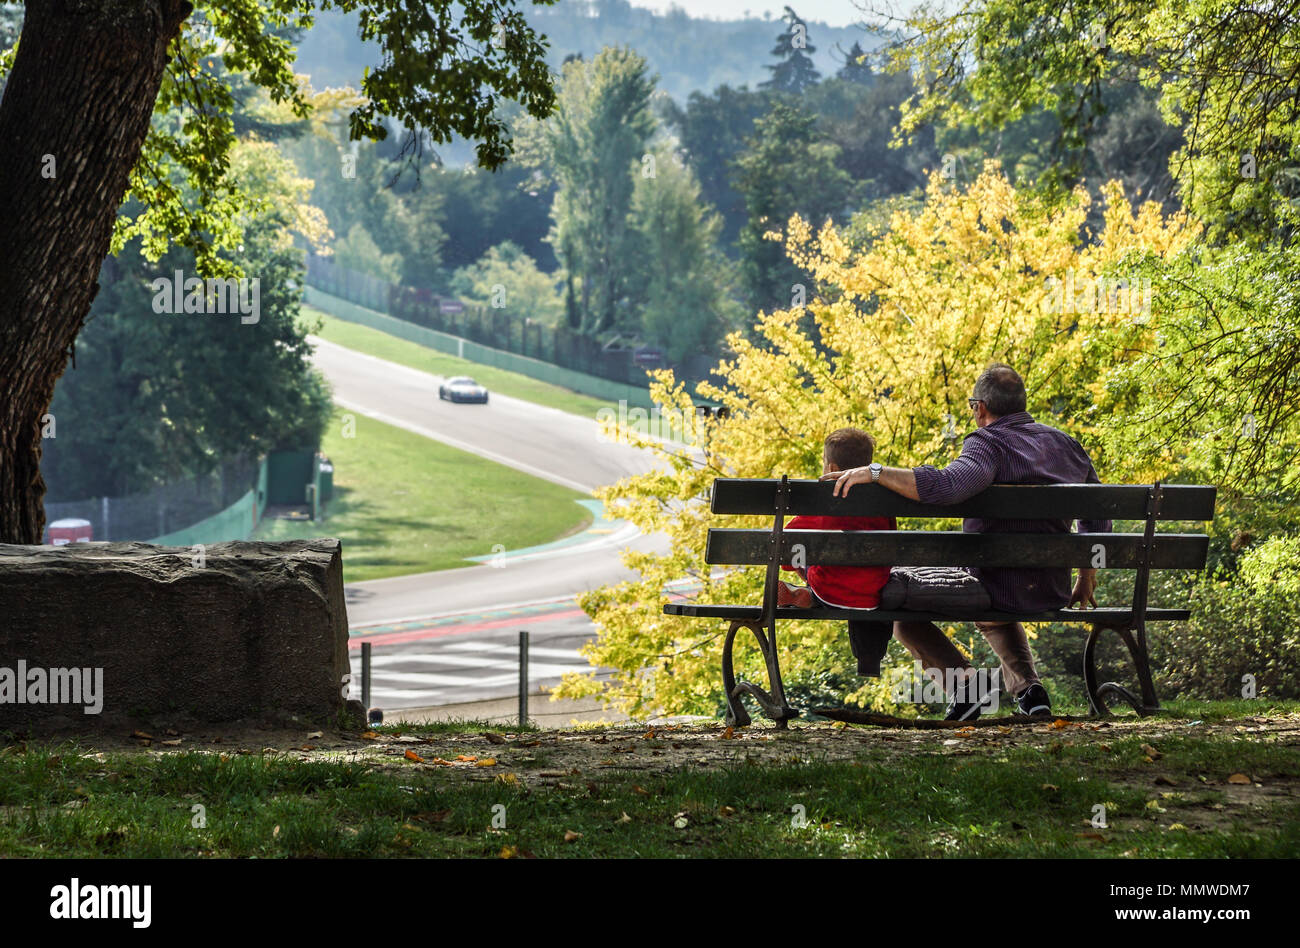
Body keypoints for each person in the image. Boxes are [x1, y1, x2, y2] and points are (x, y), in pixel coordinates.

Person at [824, 364, 1110, 720]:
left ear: (980, 408)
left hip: (992, 584)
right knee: (996, 605)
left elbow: (948, 487)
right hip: (1049, 588)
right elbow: (1098, 510)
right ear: (1021, 404)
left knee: (900, 613)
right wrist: (1086, 575)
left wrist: (877, 472)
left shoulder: (989, 443)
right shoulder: (1065, 444)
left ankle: (969, 692)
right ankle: (1031, 692)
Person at [779, 427, 897, 677]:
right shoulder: (884, 499)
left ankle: (809, 593)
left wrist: (794, 566)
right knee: (861, 577)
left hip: (829, 588)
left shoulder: (825, 499)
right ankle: (869, 661)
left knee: (806, 549)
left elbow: (787, 542)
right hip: (873, 593)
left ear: (832, 469)